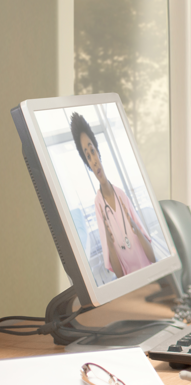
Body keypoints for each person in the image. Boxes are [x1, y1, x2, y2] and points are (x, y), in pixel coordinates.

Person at [70, 112, 156, 280]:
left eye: (93, 151)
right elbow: (119, 274)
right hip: (132, 286)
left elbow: (152, 257)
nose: (93, 160)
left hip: (151, 276)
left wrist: (134, 227)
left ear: (98, 152)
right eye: (88, 156)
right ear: (88, 164)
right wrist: (109, 243)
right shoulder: (99, 206)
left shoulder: (121, 195)